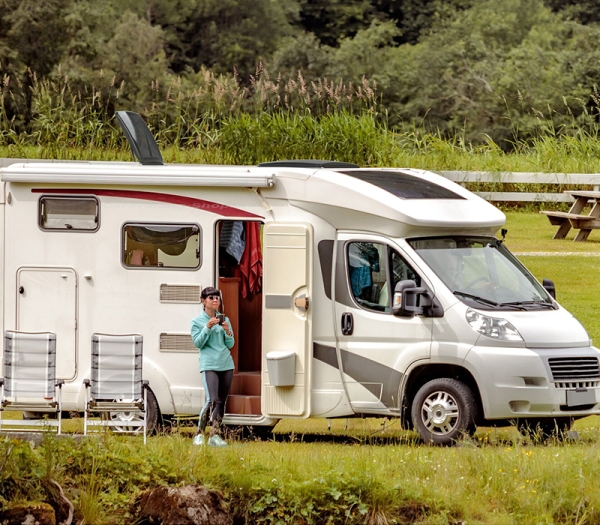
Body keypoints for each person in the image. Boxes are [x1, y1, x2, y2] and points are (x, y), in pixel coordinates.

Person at [190, 286, 235, 446]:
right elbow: (198, 343)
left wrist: (228, 331)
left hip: (226, 364)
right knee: (211, 400)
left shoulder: (225, 319)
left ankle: (215, 435)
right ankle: (199, 434)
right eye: (211, 298)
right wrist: (207, 327)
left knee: (221, 402)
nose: (215, 300)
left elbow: (230, 344)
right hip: (209, 364)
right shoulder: (197, 322)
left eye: (217, 297)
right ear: (203, 301)